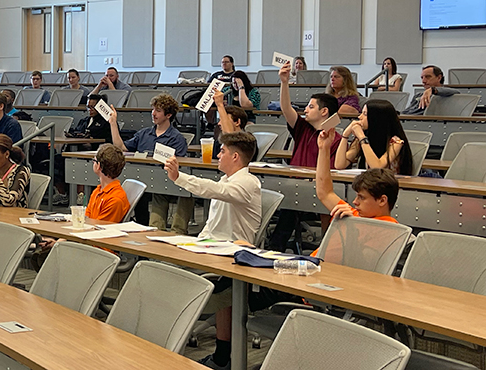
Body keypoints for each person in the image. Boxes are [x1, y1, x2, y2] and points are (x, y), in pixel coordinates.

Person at [164, 131, 262, 370]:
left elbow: (214, 191)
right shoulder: (226, 180)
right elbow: (212, 224)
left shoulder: (248, 182)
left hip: (233, 255)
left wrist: (180, 177)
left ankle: (219, 355)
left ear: (235, 156)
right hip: (214, 248)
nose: (218, 155)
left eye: (223, 151)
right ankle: (221, 355)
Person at [267, 62, 344, 252]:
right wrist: (284, 82)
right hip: (293, 185)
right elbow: (286, 109)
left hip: (315, 189)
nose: (306, 110)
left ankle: (276, 247)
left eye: (311, 107)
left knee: (292, 207)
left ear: (324, 111)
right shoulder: (303, 129)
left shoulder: (336, 139)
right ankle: (273, 245)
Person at [108, 93, 192, 234]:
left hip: (164, 180)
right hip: (142, 176)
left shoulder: (176, 138)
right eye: (153, 109)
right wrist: (113, 123)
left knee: (160, 192)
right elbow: (121, 147)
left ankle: (172, 232)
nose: (153, 113)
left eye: (158, 111)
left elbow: (179, 163)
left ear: (168, 115)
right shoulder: (144, 133)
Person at [37, 144, 130, 258]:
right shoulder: (98, 191)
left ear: (99, 166)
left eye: (94, 161)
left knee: (45, 255)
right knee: (42, 249)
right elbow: (85, 222)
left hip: (98, 249)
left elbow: (99, 232)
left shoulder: (115, 199)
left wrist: (60, 243)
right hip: (88, 240)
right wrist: (60, 241)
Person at [52, 94, 115, 205]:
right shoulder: (84, 121)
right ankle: (62, 193)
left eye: (93, 107)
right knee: (56, 160)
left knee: (78, 163)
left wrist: (91, 141)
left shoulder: (107, 123)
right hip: (75, 150)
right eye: (88, 107)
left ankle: (80, 194)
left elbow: (109, 141)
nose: (90, 110)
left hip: (93, 153)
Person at [335, 100, 413, 176]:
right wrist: (345, 135)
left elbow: (377, 167)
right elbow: (339, 165)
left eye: (365, 114)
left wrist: (362, 137)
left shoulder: (396, 142)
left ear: (376, 119)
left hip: (387, 182)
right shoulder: (363, 138)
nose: (360, 117)